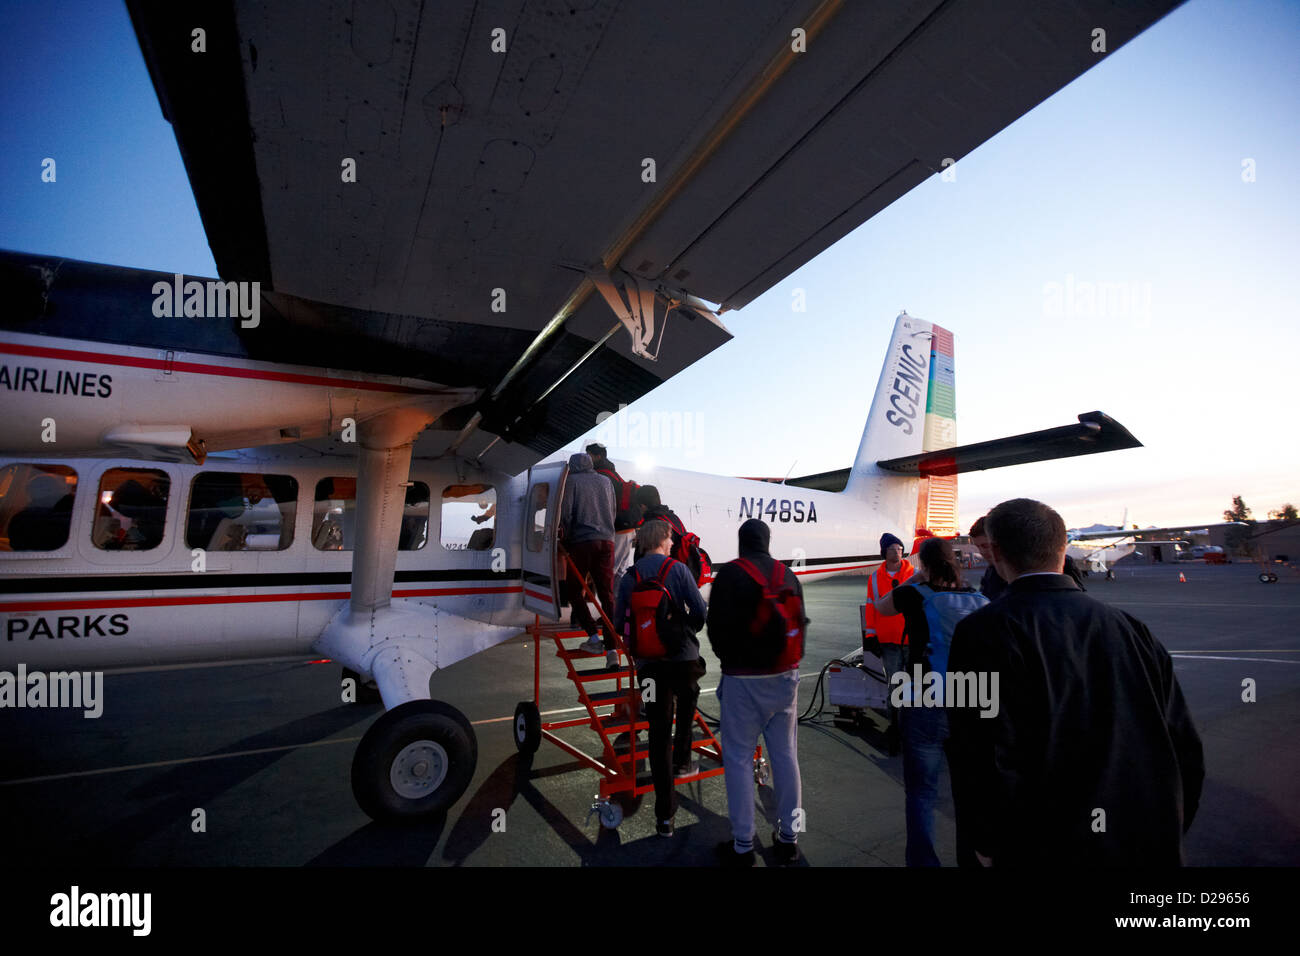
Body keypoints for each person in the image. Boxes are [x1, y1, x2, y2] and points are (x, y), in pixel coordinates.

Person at [946, 498, 1205, 867]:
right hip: (1143, 842)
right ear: (1063, 548)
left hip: (1045, 849)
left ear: (997, 551)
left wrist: (987, 841)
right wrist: (1168, 827)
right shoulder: (1132, 629)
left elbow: (977, 748)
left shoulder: (978, 632)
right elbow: (1183, 743)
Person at [874, 537, 988, 866]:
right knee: (968, 791)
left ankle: (923, 862)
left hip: (925, 696)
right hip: (974, 697)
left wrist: (915, 578)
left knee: (922, 791)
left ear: (923, 563)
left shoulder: (915, 593)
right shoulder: (978, 596)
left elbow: (881, 606)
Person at [707, 518, 805, 867]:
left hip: (743, 680)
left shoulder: (730, 575)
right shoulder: (788, 575)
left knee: (737, 759)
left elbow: (715, 628)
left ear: (741, 543)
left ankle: (743, 845)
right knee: (785, 757)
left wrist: (730, 661)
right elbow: (800, 624)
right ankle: (790, 838)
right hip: (785, 678)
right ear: (768, 541)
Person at [613, 519, 708, 837]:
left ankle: (664, 816)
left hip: (650, 669)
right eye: (669, 539)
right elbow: (700, 612)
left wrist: (639, 647)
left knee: (657, 731)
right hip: (682, 661)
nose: (671, 543)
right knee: (690, 696)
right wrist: (683, 630)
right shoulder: (678, 570)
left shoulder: (630, 577)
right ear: (664, 539)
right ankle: (683, 757)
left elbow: (619, 622)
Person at [560, 452, 618, 668]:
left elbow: (566, 514)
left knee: (574, 591)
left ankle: (594, 638)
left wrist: (563, 534)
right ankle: (612, 649)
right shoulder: (606, 481)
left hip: (583, 542)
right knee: (607, 595)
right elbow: (612, 512)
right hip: (607, 541)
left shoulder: (572, 481)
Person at [862, 532, 915, 754]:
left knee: (914, 685)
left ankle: (911, 727)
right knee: (895, 684)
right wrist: (871, 635)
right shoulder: (874, 578)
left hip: (911, 639)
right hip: (888, 640)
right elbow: (871, 607)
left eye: (900, 549)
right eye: (893, 548)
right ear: (884, 552)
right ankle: (896, 726)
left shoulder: (914, 574)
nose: (897, 552)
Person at [969, 516, 1007, 600]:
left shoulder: (1015, 572)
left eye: (985, 546)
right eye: (978, 546)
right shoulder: (991, 569)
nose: (981, 552)